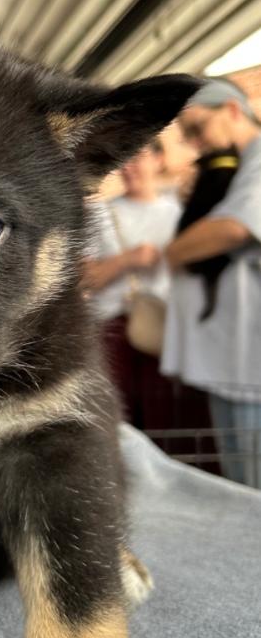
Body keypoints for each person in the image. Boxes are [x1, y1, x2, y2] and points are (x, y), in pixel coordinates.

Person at [162, 78, 261, 489]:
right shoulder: (239, 165)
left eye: (198, 129)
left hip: (247, 367)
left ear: (233, 111)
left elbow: (236, 228)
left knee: (250, 489)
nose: (195, 143)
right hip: (233, 362)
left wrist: (171, 252)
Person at [82, 140, 181, 430]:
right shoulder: (101, 214)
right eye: (123, 160)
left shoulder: (178, 213)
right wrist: (128, 260)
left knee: (165, 414)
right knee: (120, 418)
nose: (129, 167)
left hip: (164, 327)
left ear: (159, 159)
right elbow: (84, 278)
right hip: (113, 329)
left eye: (137, 157)